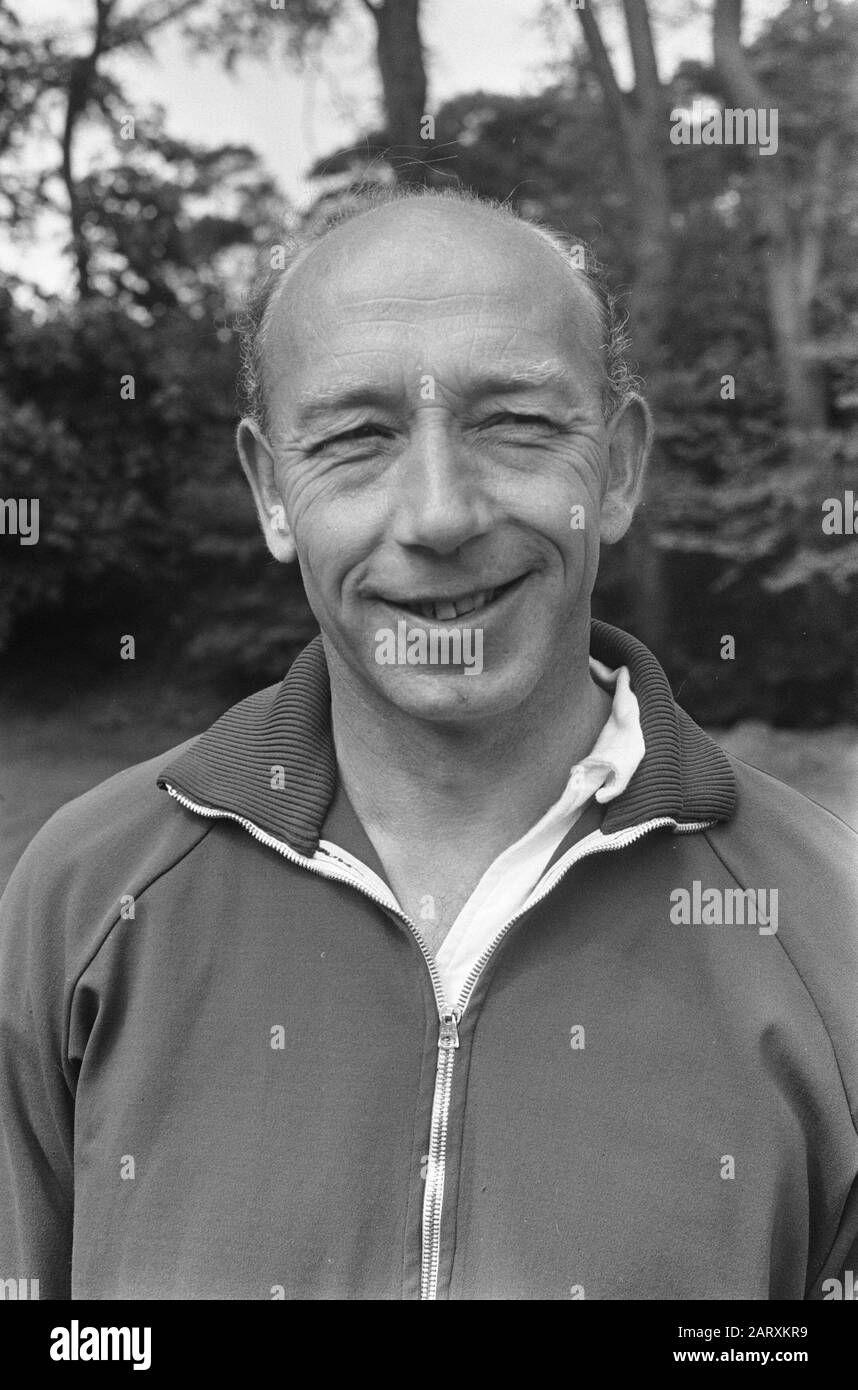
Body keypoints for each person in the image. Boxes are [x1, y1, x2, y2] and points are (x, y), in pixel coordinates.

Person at [1, 187, 856, 1302]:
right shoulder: (83, 897)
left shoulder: (826, 922)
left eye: (516, 423)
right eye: (357, 437)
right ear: (271, 490)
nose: (441, 513)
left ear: (619, 468)